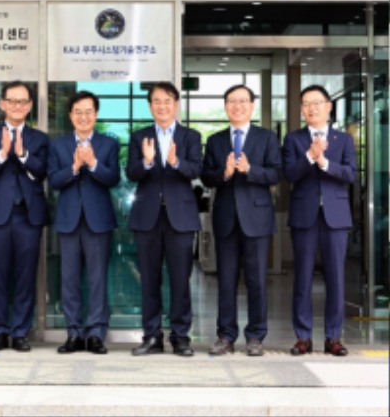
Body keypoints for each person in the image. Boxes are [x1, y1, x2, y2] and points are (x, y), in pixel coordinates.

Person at [201, 84, 281, 356]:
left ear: (252, 106)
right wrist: (223, 173)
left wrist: (250, 170)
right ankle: (225, 336)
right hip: (225, 218)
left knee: (257, 280)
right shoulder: (215, 140)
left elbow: (276, 174)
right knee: (226, 281)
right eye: (232, 101)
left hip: (257, 218)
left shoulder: (267, 138)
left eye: (243, 101)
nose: (238, 106)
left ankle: (256, 336)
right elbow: (205, 176)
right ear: (226, 106)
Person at [126, 82, 202, 357]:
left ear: (176, 104)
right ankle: (152, 336)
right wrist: (146, 162)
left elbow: (197, 170)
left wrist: (175, 162)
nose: (162, 106)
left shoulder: (190, 136)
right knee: (149, 280)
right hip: (147, 218)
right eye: (156, 101)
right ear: (150, 106)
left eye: (167, 101)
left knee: (181, 280)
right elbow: (131, 172)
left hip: (180, 219)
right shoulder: (139, 137)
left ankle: (181, 337)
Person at [282, 85, 356, 357]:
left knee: (335, 278)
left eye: (316, 103)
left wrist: (324, 163)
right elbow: (289, 174)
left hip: (336, 217)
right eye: (306, 104)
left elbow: (350, 174)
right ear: (301, 110)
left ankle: (333, 337)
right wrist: (310, 157)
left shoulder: (343, 140)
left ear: (328, 106)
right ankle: (303, 337)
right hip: (304, 217)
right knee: (302, 277)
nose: (311, 108)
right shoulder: (293, 139)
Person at [0, 81, 49, 352]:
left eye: (23, 102)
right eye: (12, 101)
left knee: (25, 275)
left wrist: (22, 154)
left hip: (28, 215)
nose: (17, 106)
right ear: (2, 104)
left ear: (29, 106)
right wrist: (3, 154)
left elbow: (43, 172)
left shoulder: (40, 139)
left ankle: (20, 332)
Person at [48, 91, 120, 355]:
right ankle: (73, 332)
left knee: (98, 278)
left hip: (98, 221)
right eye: (78, 112)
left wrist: (93, 164)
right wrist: (75, 167)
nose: (83, 116)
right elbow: (54, 180)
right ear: (70, 116)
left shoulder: (109, 144)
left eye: (89, 111)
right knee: (69, 279)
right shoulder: (58, 145)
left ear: (96, 115)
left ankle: (96, 333)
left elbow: (113, 178)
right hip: (68, 221)